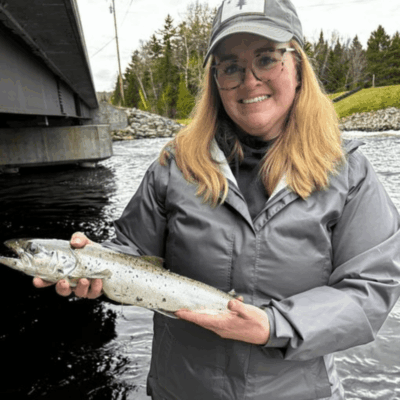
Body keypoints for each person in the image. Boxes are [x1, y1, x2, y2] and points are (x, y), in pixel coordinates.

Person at [34, 0, 400, 399]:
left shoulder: (349, 172)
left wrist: (273, 326)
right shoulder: (172, 166)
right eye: (230, 67)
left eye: (266, 58)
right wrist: (93, 265)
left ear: (298, 67)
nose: (249, 79)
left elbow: (371, 288)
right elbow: (132, 253)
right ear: (215, 81)